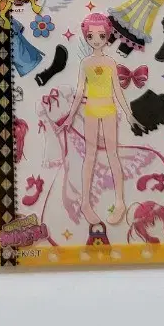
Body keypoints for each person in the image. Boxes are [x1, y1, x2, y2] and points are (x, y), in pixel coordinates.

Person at [61, 13, 143, 226]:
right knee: (90, 156)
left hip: (108, 110)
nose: (96, 40)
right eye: (91, 36)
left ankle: (120, 201)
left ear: (107, 36)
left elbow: (118, 90)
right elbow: (80, 91)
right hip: (91, 110)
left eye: (101, 35)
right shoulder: (85, 63)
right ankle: (85, 203)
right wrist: (70, 116)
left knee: (112, 154)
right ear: (86, 37)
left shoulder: (110, 63)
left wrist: (129, 114)